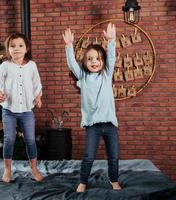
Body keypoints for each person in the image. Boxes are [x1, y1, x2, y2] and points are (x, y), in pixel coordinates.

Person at [62, 23, 122, 192]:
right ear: (85, 62)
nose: (94, 62)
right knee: (88, 156)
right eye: (89, 59)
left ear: (102, 61)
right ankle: (83, 181)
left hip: (110, 124)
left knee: (114, 157)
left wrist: (111, 41)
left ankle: (114, 180)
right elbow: (72, 64)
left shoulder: (106, 74)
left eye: (97, 58)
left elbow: (111, 58)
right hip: (93, 126)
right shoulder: (83, 75)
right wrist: (68, 46)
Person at [0, 32, 44, 183]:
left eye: (20, 45)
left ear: (26, 48)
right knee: (9, 139)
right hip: (9, 110)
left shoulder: (32, 66)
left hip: (27, 110)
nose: (16, 49)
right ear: (8, 49)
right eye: (12, 46)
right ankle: (7, 170)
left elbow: (37, 84)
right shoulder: (5, 66)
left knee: (30, 140)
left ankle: (34, 169)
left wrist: (38, 97)